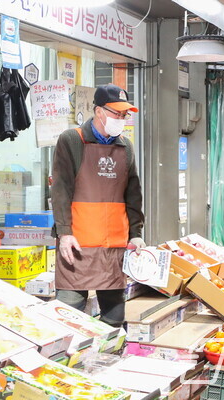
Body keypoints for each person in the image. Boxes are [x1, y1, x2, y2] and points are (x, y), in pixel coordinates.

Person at [51, 84, 146, 327]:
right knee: (68, 316)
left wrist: (136, 234)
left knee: (114, 319)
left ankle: (111, 360)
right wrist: (64, 233)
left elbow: (133, 194)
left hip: (114, 244)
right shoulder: (72, 140)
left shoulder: (125, 146)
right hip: (77, 243)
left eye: (125, 114)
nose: (121, 119)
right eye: (116, 113)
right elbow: (60, 189)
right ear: (99, 111)